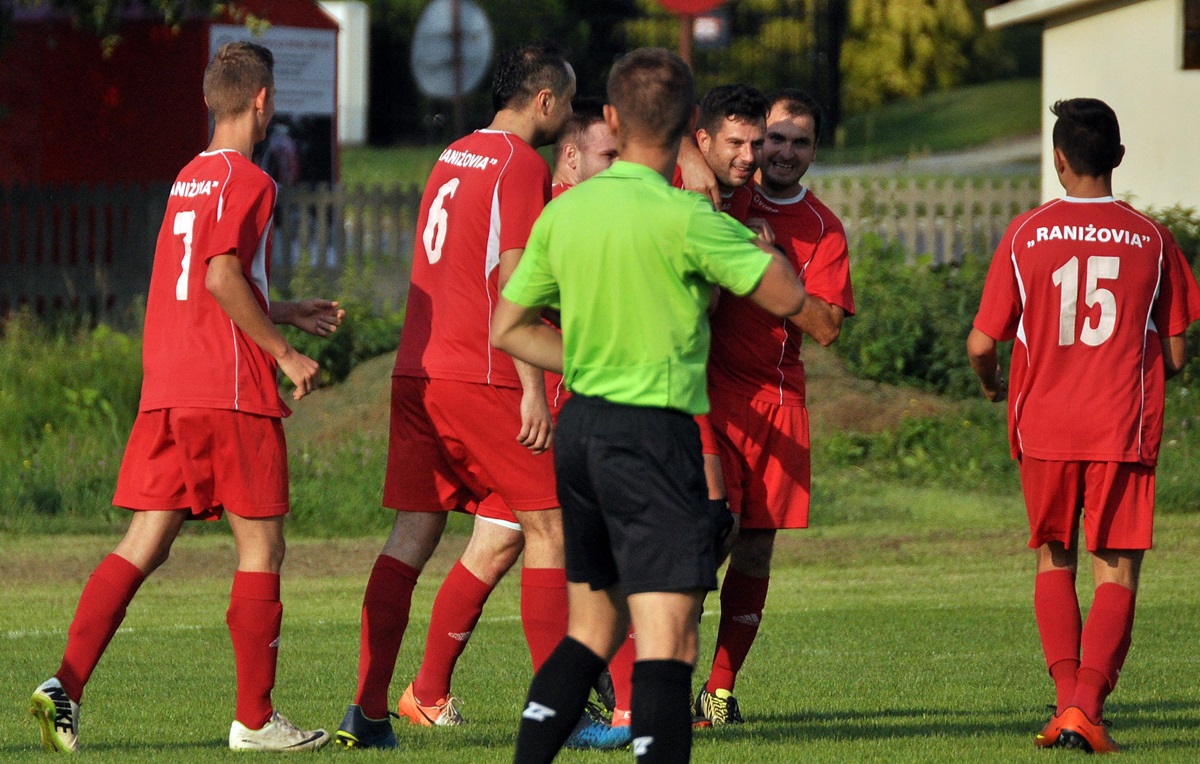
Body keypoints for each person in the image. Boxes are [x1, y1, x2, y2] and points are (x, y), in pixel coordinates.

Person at [28, 41, 344, 754]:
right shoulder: (252, 181)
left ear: (210, 99)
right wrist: (286, 353)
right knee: (262, 545)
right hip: (227, 389)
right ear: (263, 100)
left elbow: (207, 278)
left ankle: (64, 687)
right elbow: (220, 279)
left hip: (169, 384)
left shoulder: (188, 178)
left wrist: (284, 308)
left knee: (145, 541)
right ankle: (255, 720)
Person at [494, 47, 808, 764]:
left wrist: (586, 358)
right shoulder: (687, 218)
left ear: (608, 117)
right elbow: (788, 298)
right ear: (692, 124)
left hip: (581, 431)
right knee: (669, 640)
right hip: (652, 432)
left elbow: (507, 327)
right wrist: (759, 246)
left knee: (590, 632)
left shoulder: (567, 211)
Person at [333, 44, 576, 750]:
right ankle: (555, 713)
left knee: (414, 533)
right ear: (544, 101)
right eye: (566, 99)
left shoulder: (453, 154)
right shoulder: (521, 165)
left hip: (419, 369)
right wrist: (532, 385)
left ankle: (369, 710)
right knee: (548, 529)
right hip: (483, 370)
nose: (567, 114)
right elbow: (511, 276)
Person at [967, 97, 1200, 753]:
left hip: (1042, 424)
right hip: (1119, 425)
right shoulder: (1152, 239)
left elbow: (982, 343)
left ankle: (1068, 702)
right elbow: (1177, 352)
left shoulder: (1025, 234)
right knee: (1116, 569)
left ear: (1058, 159)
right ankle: (1085, 708)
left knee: (1053, 558)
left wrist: (994, 389)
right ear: (1118, 158)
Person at [693, 88, 855, 727]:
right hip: (708, 396)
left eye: (798, 142)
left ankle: (719, 692)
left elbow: (827, 326)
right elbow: (681, 125)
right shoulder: (724, 193)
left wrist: (767, 263)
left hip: (779, 400)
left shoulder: (823, 229)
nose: (780, 153)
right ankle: (634, 668)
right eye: (772, 139)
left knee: (755, 551)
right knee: (707, 533)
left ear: (815, 151)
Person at [551, 97, 619, 199]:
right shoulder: (577, 207)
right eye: (609, 155)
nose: (620, 163)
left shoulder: (542, 202)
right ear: (571, 155)